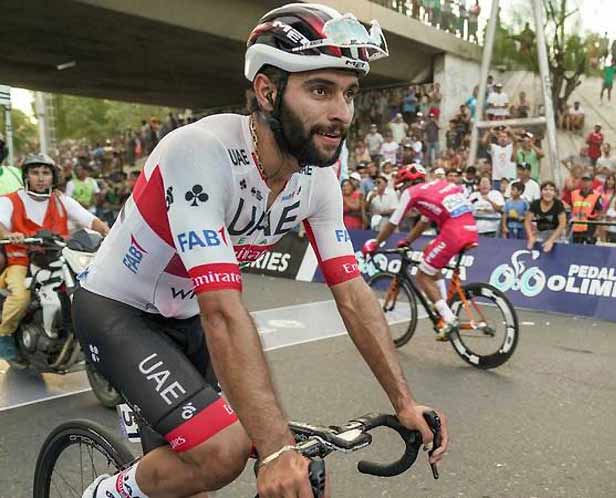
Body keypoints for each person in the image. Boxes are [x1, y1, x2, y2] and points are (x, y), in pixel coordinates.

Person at [78, 6, 447, 498]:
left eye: (349, 93)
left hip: (187, 319)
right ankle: (104, 494)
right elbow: (222, 309)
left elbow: (354, 295)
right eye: (321, 90)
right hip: (120, 311)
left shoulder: (319, 181)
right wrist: (274, 451)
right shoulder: (200, 151)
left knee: (240, 468)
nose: (342, 112)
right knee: (224, 453)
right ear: (268, 91)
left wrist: (403, 401)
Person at [0, 154, 109, 362]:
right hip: (22, 260)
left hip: (58, 258)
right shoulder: (10, 200)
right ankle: (4, 335)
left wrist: (106, 230)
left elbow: (88, 218)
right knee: (21, 297)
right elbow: (1, 222)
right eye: (35, 173)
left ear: (53, 176)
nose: (41, 178)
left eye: (46, 173)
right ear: (26, 176)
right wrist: (9, 234)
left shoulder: (61, 200)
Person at [362, 164, 479, 340]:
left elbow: (393, 222)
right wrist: (408, 241)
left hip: (453, 232)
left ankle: (448, 318)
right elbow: (424, 222)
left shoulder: (412, 192)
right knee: (428, 253)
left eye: (402, 186)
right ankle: (443, 304)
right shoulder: (437, 186)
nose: (402, 190)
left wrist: (376, 243)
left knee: (422, 276)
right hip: (470, 228)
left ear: (408, 183)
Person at [525, 181, 567, 252]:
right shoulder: (535, 203)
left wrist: (551, 241)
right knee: (530, 247)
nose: (548, 192)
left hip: (556, 234)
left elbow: (562, 224)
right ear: (541, 192)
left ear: (554, 193)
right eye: (545, 189)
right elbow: (527, 221)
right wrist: (530, 237)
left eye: (551, 190)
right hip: (540, 232)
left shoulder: (558, 204)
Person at [570, 174, 603, 244]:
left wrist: (597, 229)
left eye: (587, 180)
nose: (585, 182)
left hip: (590, 228)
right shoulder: (574, 194)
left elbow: (600, 212)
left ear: (591, 182)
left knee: (589, 248)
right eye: (583, 180)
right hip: (575, 228)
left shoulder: (597, 195)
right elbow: (570, 208)